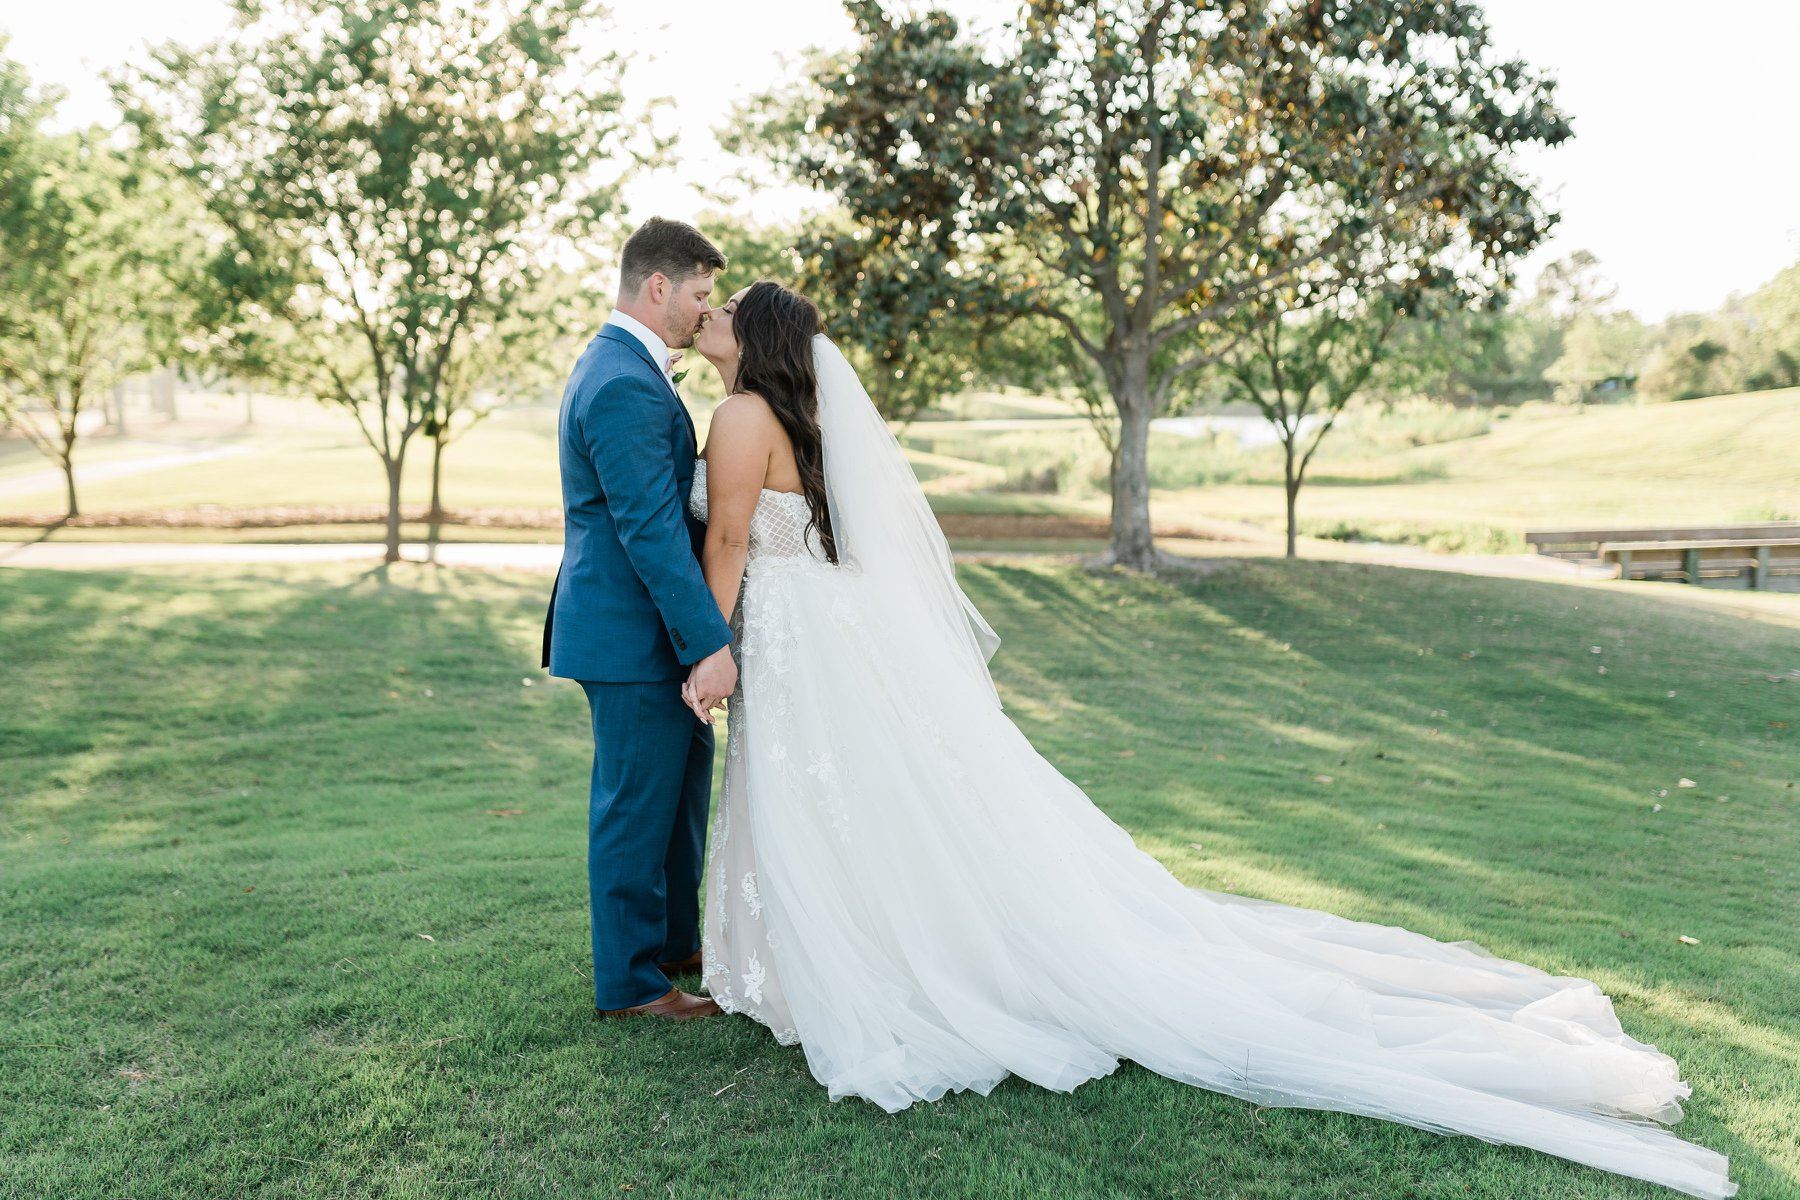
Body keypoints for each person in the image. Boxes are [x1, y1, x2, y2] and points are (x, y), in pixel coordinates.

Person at [678, 278, 1735, 1200]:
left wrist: (707, 645)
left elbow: (730, 536)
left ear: (755, 335)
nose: (711, 314)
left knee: (827, 802)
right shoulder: (805, 411)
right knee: (853, 802)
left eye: (725, 309)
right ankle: (843, 953)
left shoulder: (739, 418)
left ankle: (863, 967)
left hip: (797, 635)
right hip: (833, 633)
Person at [541, 217, 739, 1021]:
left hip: (640, 629)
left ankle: (672, 943)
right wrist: (710, 644)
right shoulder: (623, 380)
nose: (704, 310)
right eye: (699, 293)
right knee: (635, 806)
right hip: (630, 634)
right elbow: (650, 529)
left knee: (678, 793)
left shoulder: (627, 367)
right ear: (659, 287)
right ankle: (631, 985)